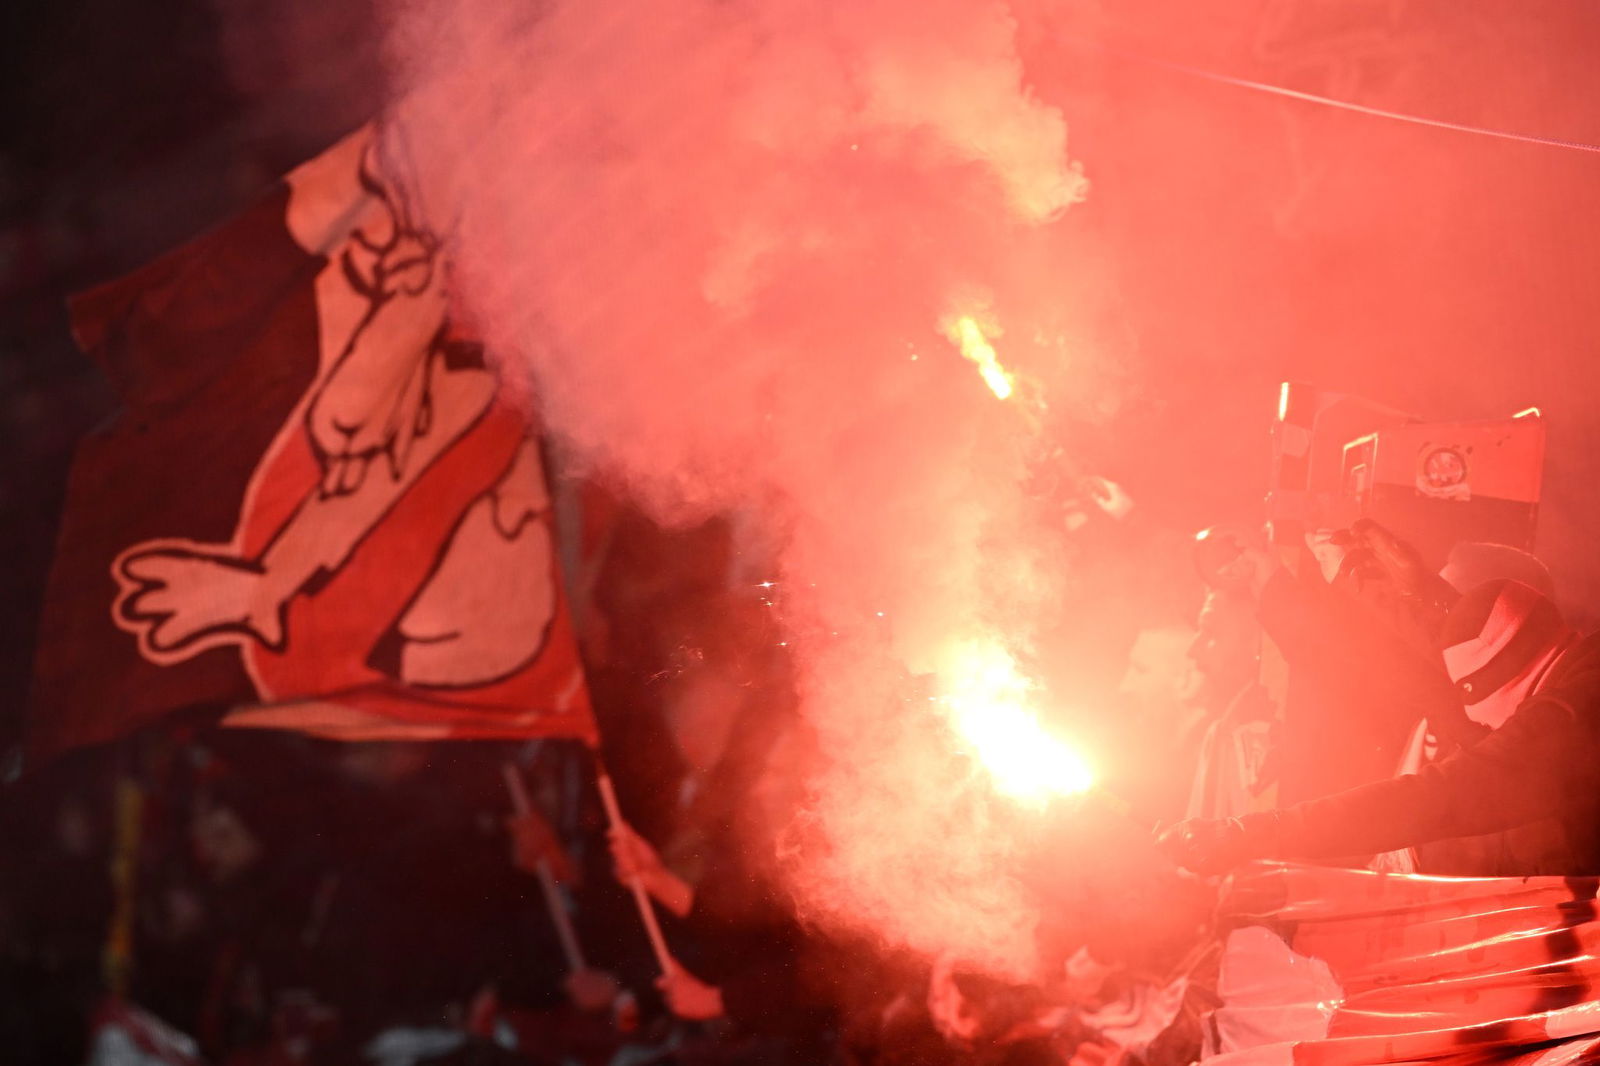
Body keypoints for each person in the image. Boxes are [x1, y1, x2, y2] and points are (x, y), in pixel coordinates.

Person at [1158, 578, 1600, 875]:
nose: (1482, 730)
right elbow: (1475, 634)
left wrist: (1253, 833)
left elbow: (1442, 796)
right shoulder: (1577, 666)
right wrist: (1370, 578)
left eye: (1483, 714)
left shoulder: (1570, 720)